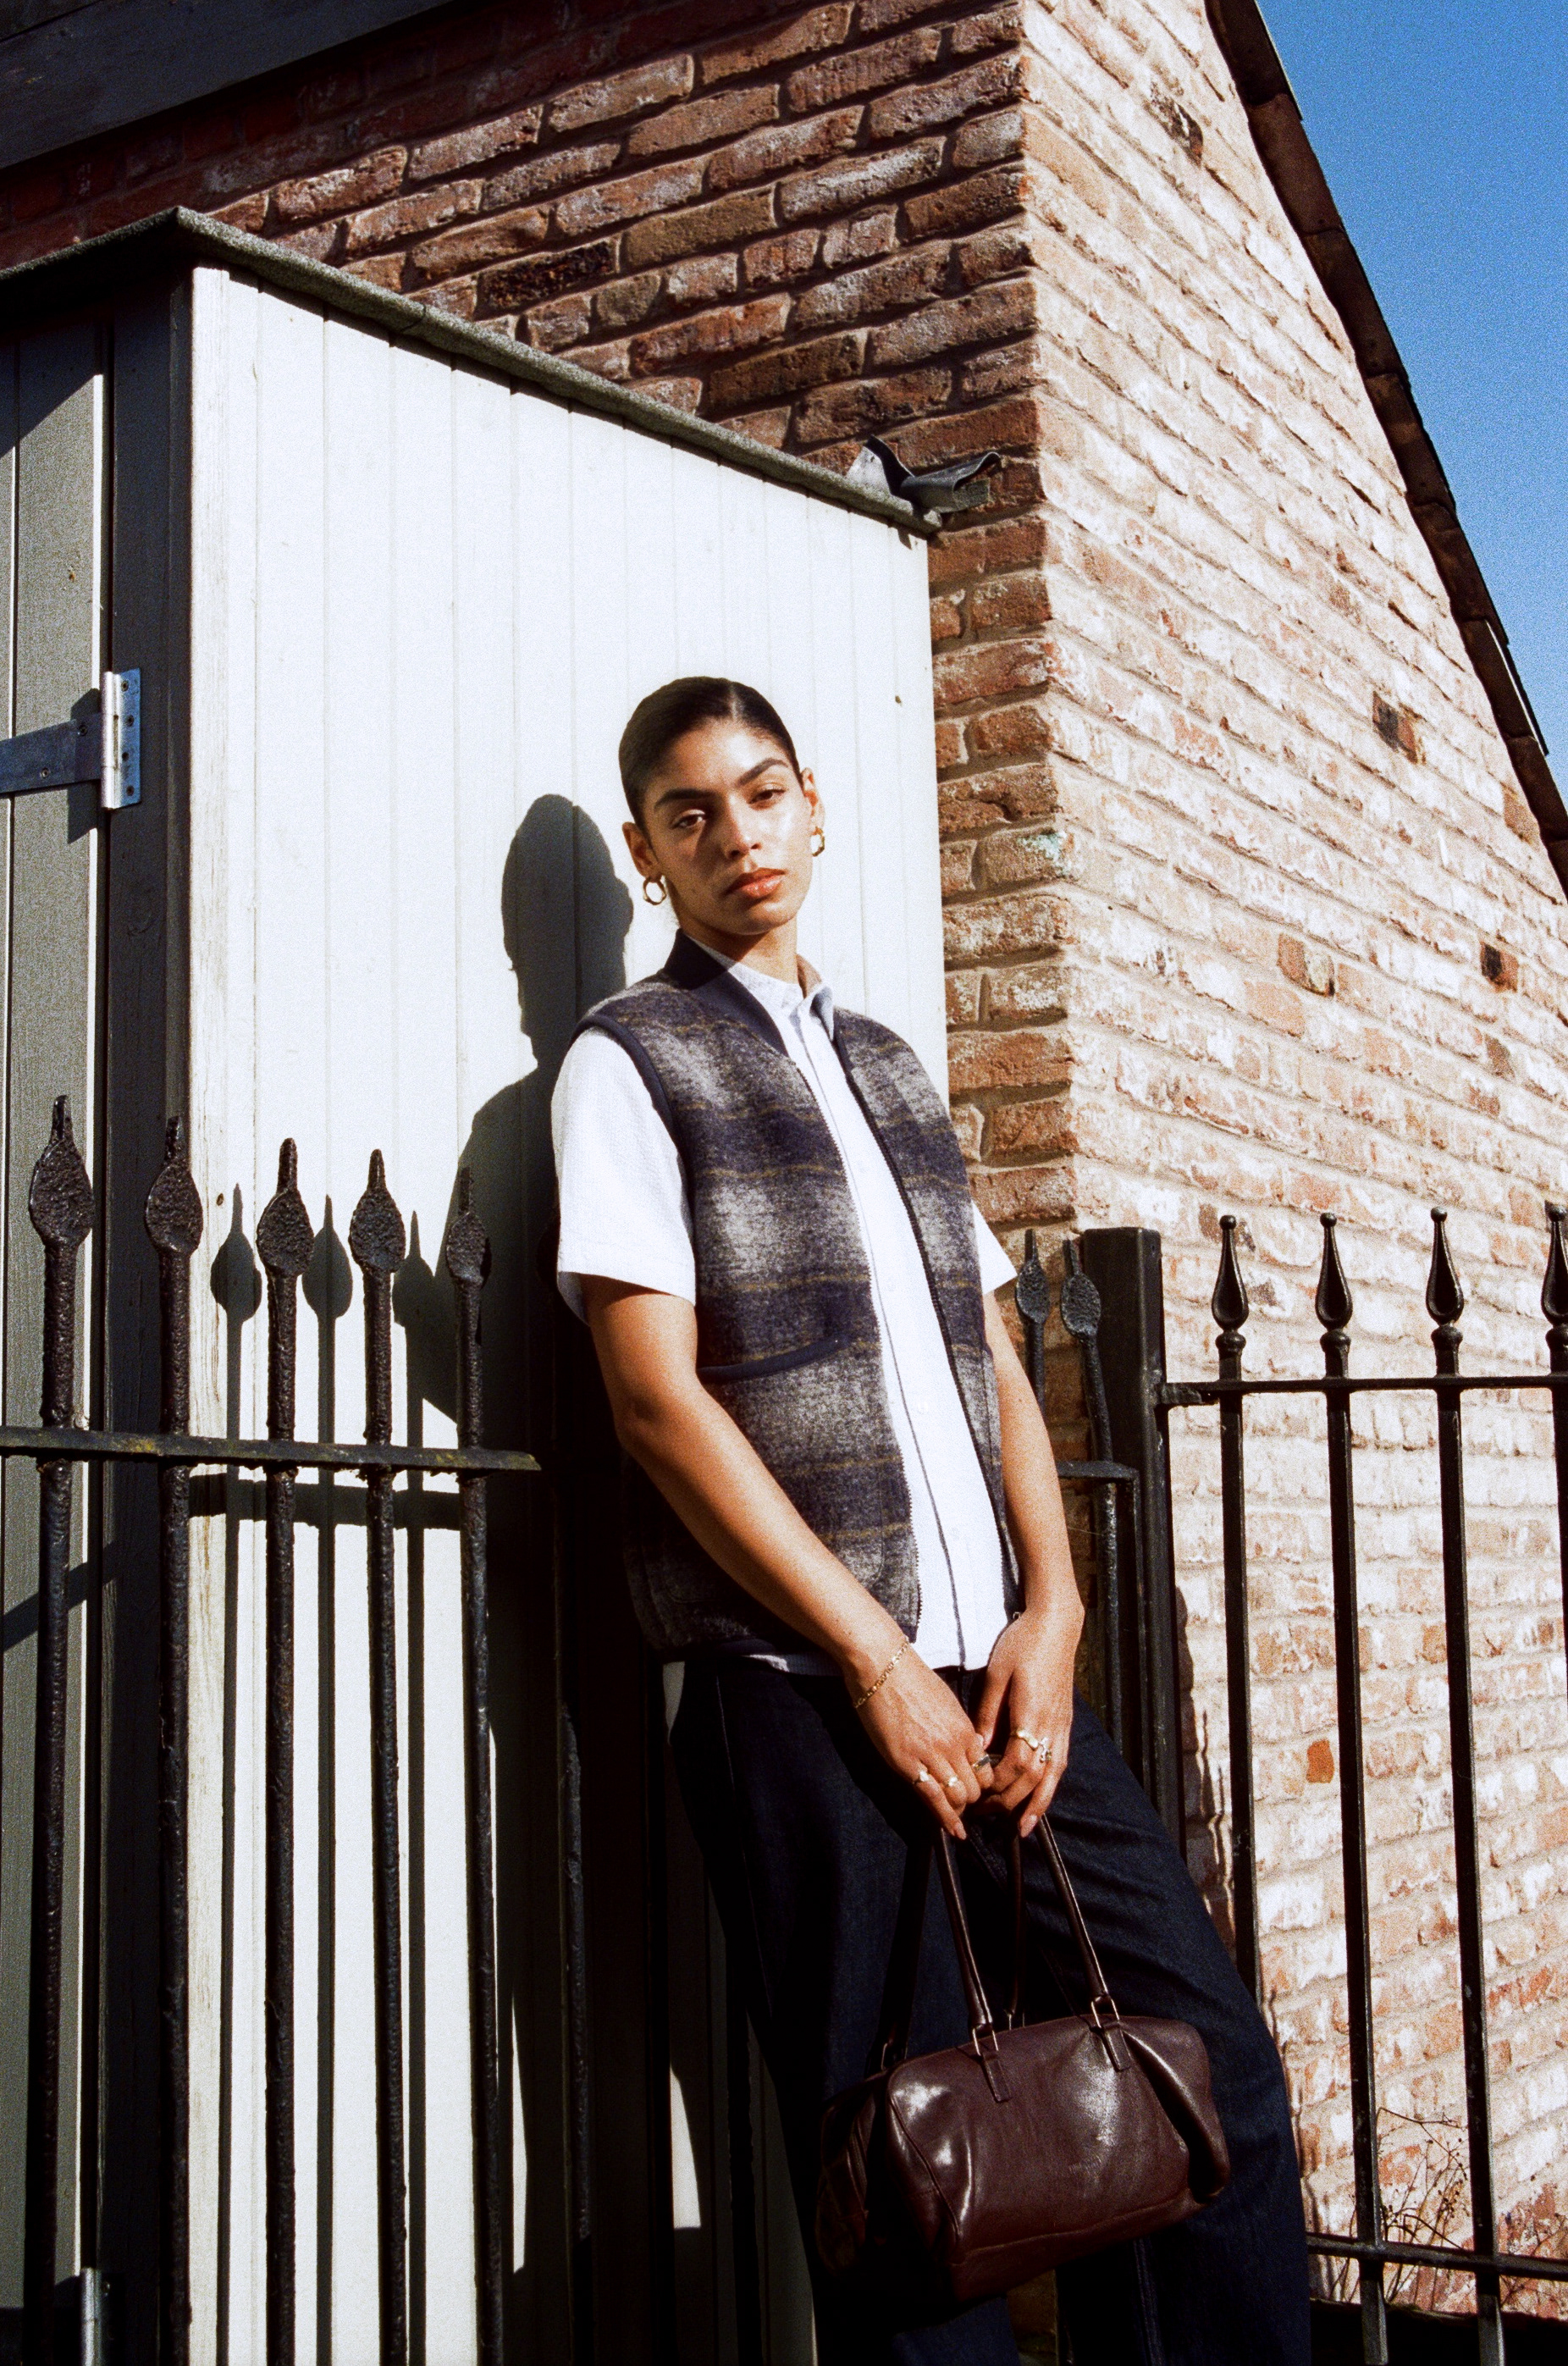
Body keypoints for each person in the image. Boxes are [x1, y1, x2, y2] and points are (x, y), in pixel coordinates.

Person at [550, 677, 1311, 2365]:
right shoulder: (628, 1061)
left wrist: (1054, 1611)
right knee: (915, 2186)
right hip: (801, 1696)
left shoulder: (888, 1062)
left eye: (760, 793)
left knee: (1209, 2079)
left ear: (813, 803)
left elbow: (993, 1358)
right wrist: (873, 1657)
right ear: (646, 853)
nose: (736, 835)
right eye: (690, 813)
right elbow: (654, 1403)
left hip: (999, 1682)